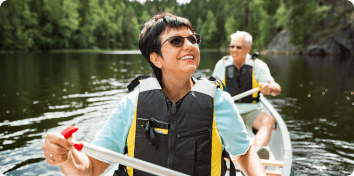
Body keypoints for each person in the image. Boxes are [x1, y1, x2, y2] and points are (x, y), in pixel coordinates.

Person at [42, 12, 266, 176]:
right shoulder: (132, 104)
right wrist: (66, 157)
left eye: (193, 39)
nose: (189, 45)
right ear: (155, 58)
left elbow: (244, 155)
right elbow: (89, 169)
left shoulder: (219, 101)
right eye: (177, 41)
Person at [212, 31, 281, 159]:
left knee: (269, 120)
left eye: (238, 47)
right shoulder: (222, 65)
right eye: (232, 46)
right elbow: (211, 89)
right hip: (228, 110)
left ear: (248, 49)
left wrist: (270, 88)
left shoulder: (258, 65)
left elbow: (277, 88)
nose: (233, 50)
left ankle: (254, 155)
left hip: (251, 112)